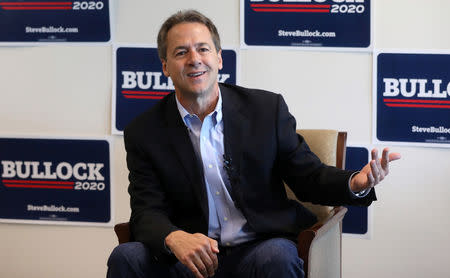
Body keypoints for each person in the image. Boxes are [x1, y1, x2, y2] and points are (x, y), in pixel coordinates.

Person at [107, 9, 401, 278]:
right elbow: (147, 211)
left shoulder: (265, 110)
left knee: (277, 256)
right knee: (127, 257)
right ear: (165, 67)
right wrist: (174, 238)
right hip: (191, 258)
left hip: (258, 249)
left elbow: (308, 177)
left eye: (203, 49)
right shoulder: (144, 131)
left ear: (219, 58)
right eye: (181, 52)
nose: (194, 59)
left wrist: (356, 182)